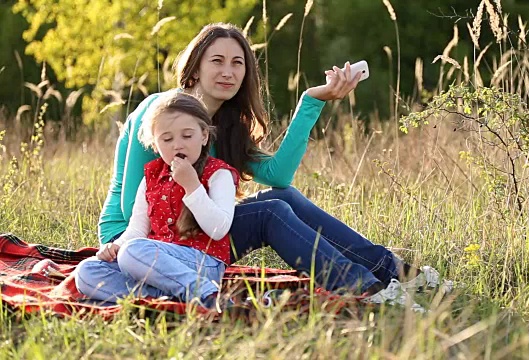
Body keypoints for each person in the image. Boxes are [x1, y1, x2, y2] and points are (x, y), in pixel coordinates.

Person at [97, 23, 452, 308]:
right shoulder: (161, 114)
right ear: (194, 68)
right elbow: (136, 209)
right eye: (216, 61)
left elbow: (278, 175)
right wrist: (200, 199)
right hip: (138, 242)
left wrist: (311, 100)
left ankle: (395, 272)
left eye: (238, 63)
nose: (228, 71)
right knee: (270, 214)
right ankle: (364, 289)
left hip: (197, 233)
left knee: (283, 196)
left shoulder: (224, 128)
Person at [76, 93, 241, 310]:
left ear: (203, 136)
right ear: (155, 144)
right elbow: (137, 230)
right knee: (86, 272)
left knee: (134, 251)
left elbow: (219, 229)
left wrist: (192, 185)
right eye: (167, 139)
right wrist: (114, 247)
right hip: (152, 261)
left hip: (201, 263)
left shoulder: (218, 173)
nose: (177, 145)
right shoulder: (151, 176)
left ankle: (208, 295)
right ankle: (170, 297)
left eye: (187, 136)